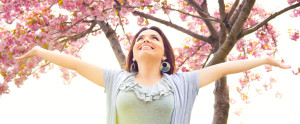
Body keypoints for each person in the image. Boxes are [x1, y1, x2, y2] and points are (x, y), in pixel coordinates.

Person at [15, 26, 291, 124]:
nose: (146, 40)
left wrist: (264, 59)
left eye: (154, 39)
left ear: (164, 54)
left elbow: (225, 67)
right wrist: (40, 50)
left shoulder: (184, 83)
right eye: (140, 39)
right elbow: (74, 63)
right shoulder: (115, 80)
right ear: (132, 53)